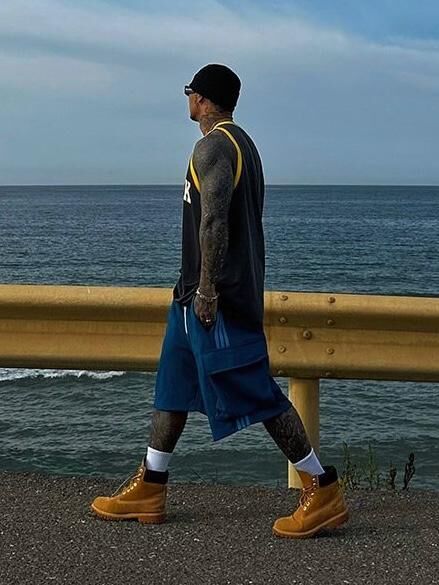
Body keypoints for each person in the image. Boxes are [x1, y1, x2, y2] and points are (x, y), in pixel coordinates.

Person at [91, 64, 349, 538]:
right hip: (189, 297)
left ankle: (321, 487)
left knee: (255, 390)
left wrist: (208, 290)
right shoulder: (243, 144)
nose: (187, 98)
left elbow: (213, 222)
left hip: (216, 299)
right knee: (173, 386)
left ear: (203, 100)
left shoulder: (213, 146)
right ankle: (151, 485)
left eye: (189, 91)